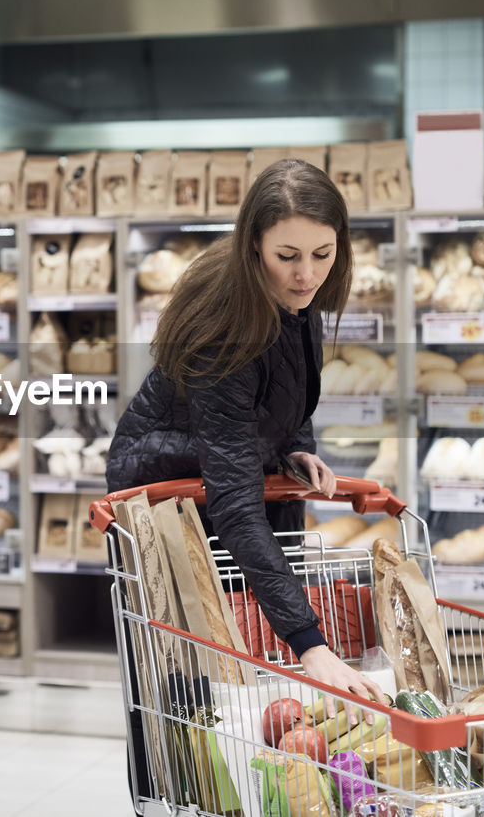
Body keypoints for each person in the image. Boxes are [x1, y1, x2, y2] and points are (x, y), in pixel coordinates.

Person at [107, 159, 387, 793]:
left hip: (234, 476)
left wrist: (297, 448)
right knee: (191, 694)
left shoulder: (300, 295)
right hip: (169, 501)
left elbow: (293, 393)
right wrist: (312, 644)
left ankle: (261, 786)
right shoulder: (225, 332)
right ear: (252, 243)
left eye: (322, 253)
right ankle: (183, 794)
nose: (306, 272)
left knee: (255, 682)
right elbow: (233, 506)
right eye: (287, 254)